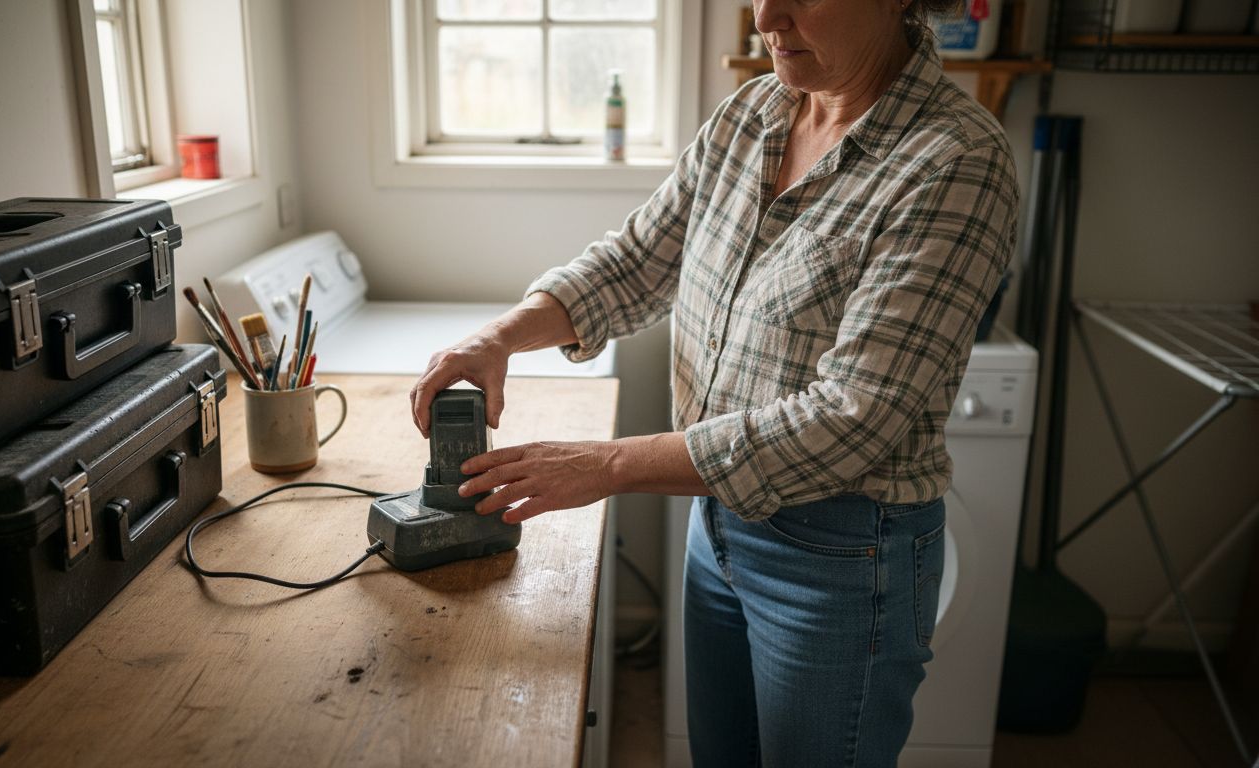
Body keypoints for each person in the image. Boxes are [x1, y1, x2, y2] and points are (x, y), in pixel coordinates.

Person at [409, 0, 1016, 764]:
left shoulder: (955, 159)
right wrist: (498, 337)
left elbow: (852, 418)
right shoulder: (754, 114)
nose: (767, 12)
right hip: (719, 526)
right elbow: (637, 260)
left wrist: (606, 465)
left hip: (844, 557)